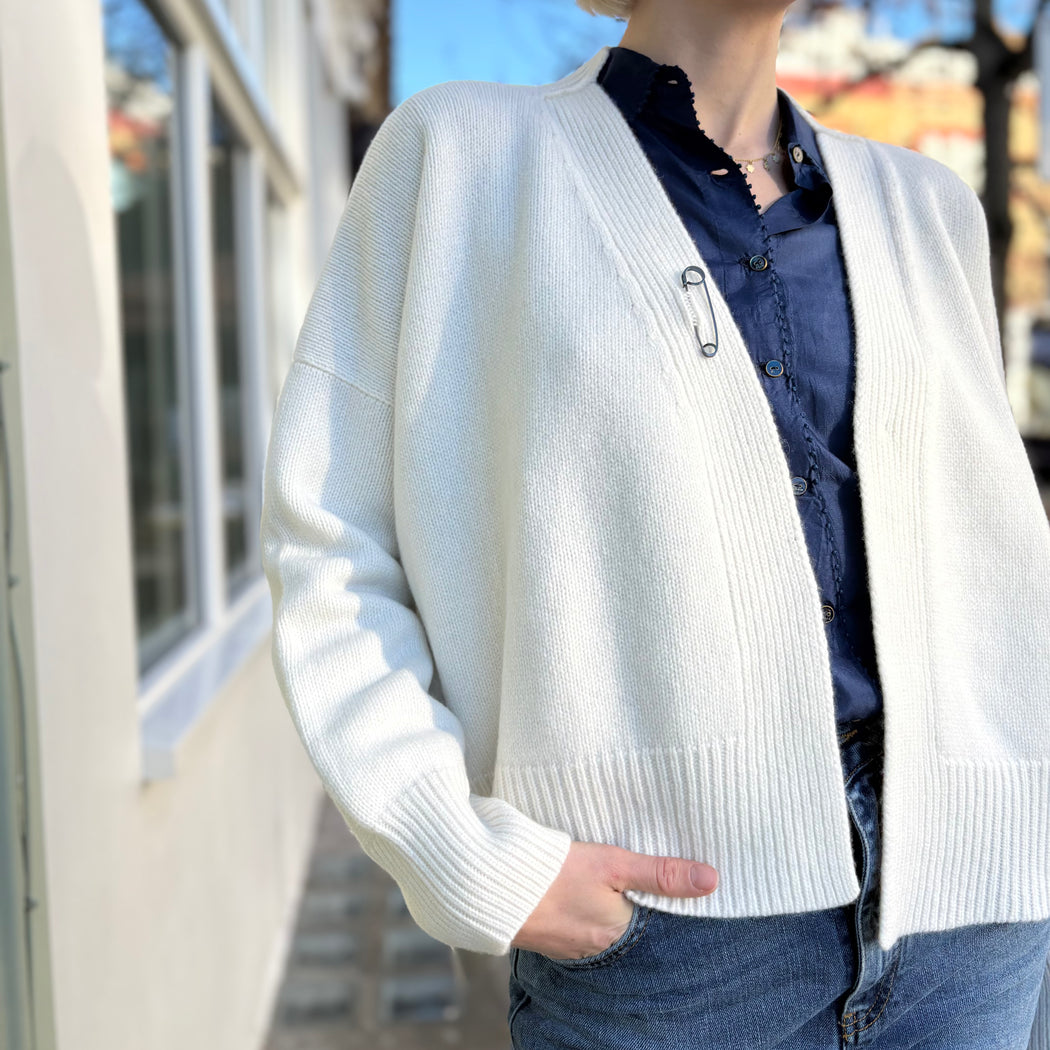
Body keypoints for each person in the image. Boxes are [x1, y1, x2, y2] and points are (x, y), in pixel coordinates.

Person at [258, 0, 1050, 1045]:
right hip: (667, 941)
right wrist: (456, 847)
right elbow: (330, 539)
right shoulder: (463, 156)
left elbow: (997, 556)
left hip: (973, 914)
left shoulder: (928, 206)